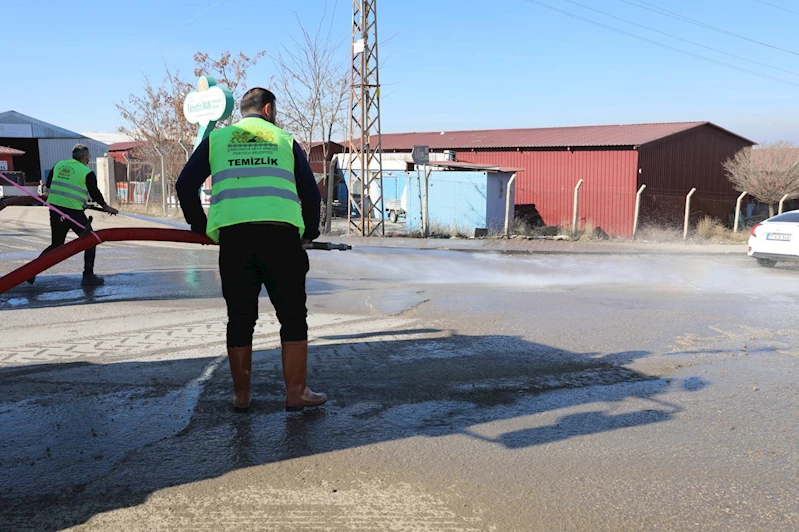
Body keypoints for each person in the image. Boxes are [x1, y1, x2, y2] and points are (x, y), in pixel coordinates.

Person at [176, 87, 325, 413]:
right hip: (282, 240)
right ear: (269, 109)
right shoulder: (284, 140)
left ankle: (241, 396)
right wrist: (309, 233)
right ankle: (296, 393)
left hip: (235, 241)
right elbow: (311, 195)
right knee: (292, 316)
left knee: (240, 318)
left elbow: (184, 185)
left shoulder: (217, 140)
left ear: (244, 111)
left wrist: (200, 225)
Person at [30, 144, 118, 286]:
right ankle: (88, 276)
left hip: (56, 210)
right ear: (84, 157)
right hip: (73, 212)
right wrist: (106, 207)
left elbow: (50, 184)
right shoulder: (86, 172)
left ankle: (31, 272)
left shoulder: (59, 165)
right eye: (88, 157)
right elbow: (94, 193)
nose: (88, 160)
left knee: (56, 244)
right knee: (91, 240)